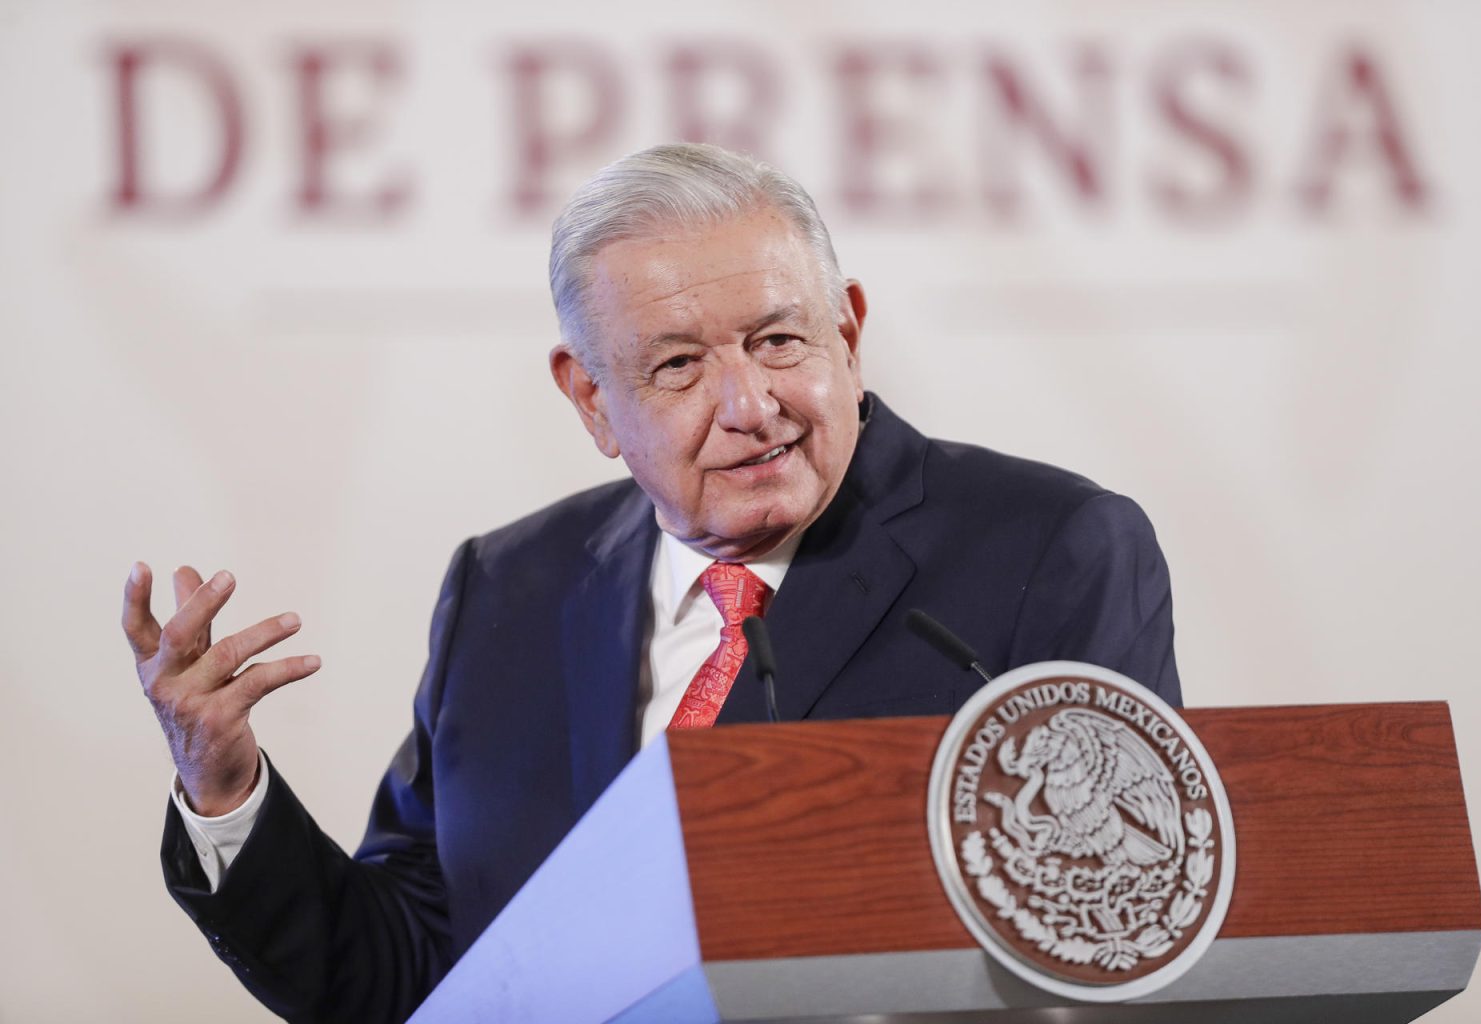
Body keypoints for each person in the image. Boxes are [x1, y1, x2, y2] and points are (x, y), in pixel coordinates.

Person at [122, 143, 1181, 1023]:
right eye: (677, 365)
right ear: (590, 401)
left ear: (849, 334)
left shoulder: (1050, 549)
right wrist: (225, 792)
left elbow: (1111, 919)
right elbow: (408, 969)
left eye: (778, 340)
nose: (750, 403)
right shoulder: (511, 588)